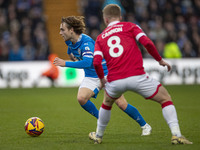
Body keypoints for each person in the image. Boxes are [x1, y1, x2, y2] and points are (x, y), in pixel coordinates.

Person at [89, 4, 193, 144]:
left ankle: (99, 136)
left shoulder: (100, 38)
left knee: (107, 103)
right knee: (165, 98)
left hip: (115, 80)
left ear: (105, 20)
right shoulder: (131, 26)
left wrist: (102, 79)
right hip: (137, 76)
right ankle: (176, 135)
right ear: (120, 17)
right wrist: (160, 60)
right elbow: (147, 43)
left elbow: (96, 62)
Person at [53, 16, 152, 136]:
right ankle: (101, 120)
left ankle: (145, 126)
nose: (60, 32)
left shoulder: (86, 42)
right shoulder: (69, 41)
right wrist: (70, 55)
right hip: (91, 75)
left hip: (106, 74)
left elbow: (88, 62)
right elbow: (71, 49)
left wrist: (66, 63)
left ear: (71, 30)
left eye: (62, 29)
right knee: (81, 98)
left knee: (121, 103)